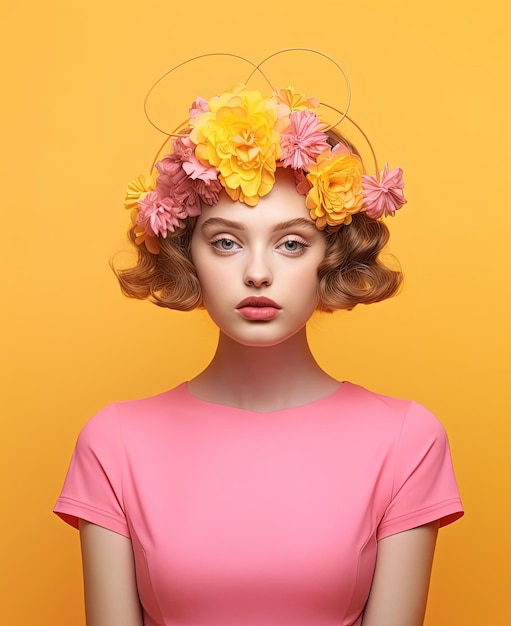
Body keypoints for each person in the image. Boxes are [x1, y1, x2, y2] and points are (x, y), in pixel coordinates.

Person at [54, 59, 464, 626]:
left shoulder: (405, 441)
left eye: (291, 244)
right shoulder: (114, 443)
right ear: (185, 255)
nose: (257, 273)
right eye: (225, 242)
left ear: (331, 254)